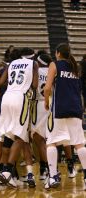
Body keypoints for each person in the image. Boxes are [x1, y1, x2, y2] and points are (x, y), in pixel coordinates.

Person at [0, 47, 38, 188]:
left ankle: (4, 171)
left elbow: (0, 83)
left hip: (7, 98)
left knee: (8, 136)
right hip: (20, 98)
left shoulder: (11, 64)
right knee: (20, 135)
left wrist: (13, 85)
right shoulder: (33, 64)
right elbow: (35, 85)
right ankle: (7, 170)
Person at [44, 43, 86, 189]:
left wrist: (45, 102)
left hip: (60, 108)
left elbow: (47, 87)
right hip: (76, 108)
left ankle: (53, 176)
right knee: (79, 143)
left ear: (57, 53)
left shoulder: (54, 65)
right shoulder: (76, 68)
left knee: (51, 142)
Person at [31, 53, 52, 180]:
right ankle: (45, 167)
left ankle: (48, 169)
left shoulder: (36, 71)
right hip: (49, 104)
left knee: (39, 139)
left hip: (39, 104)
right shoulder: (51, 71)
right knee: (43, 139)